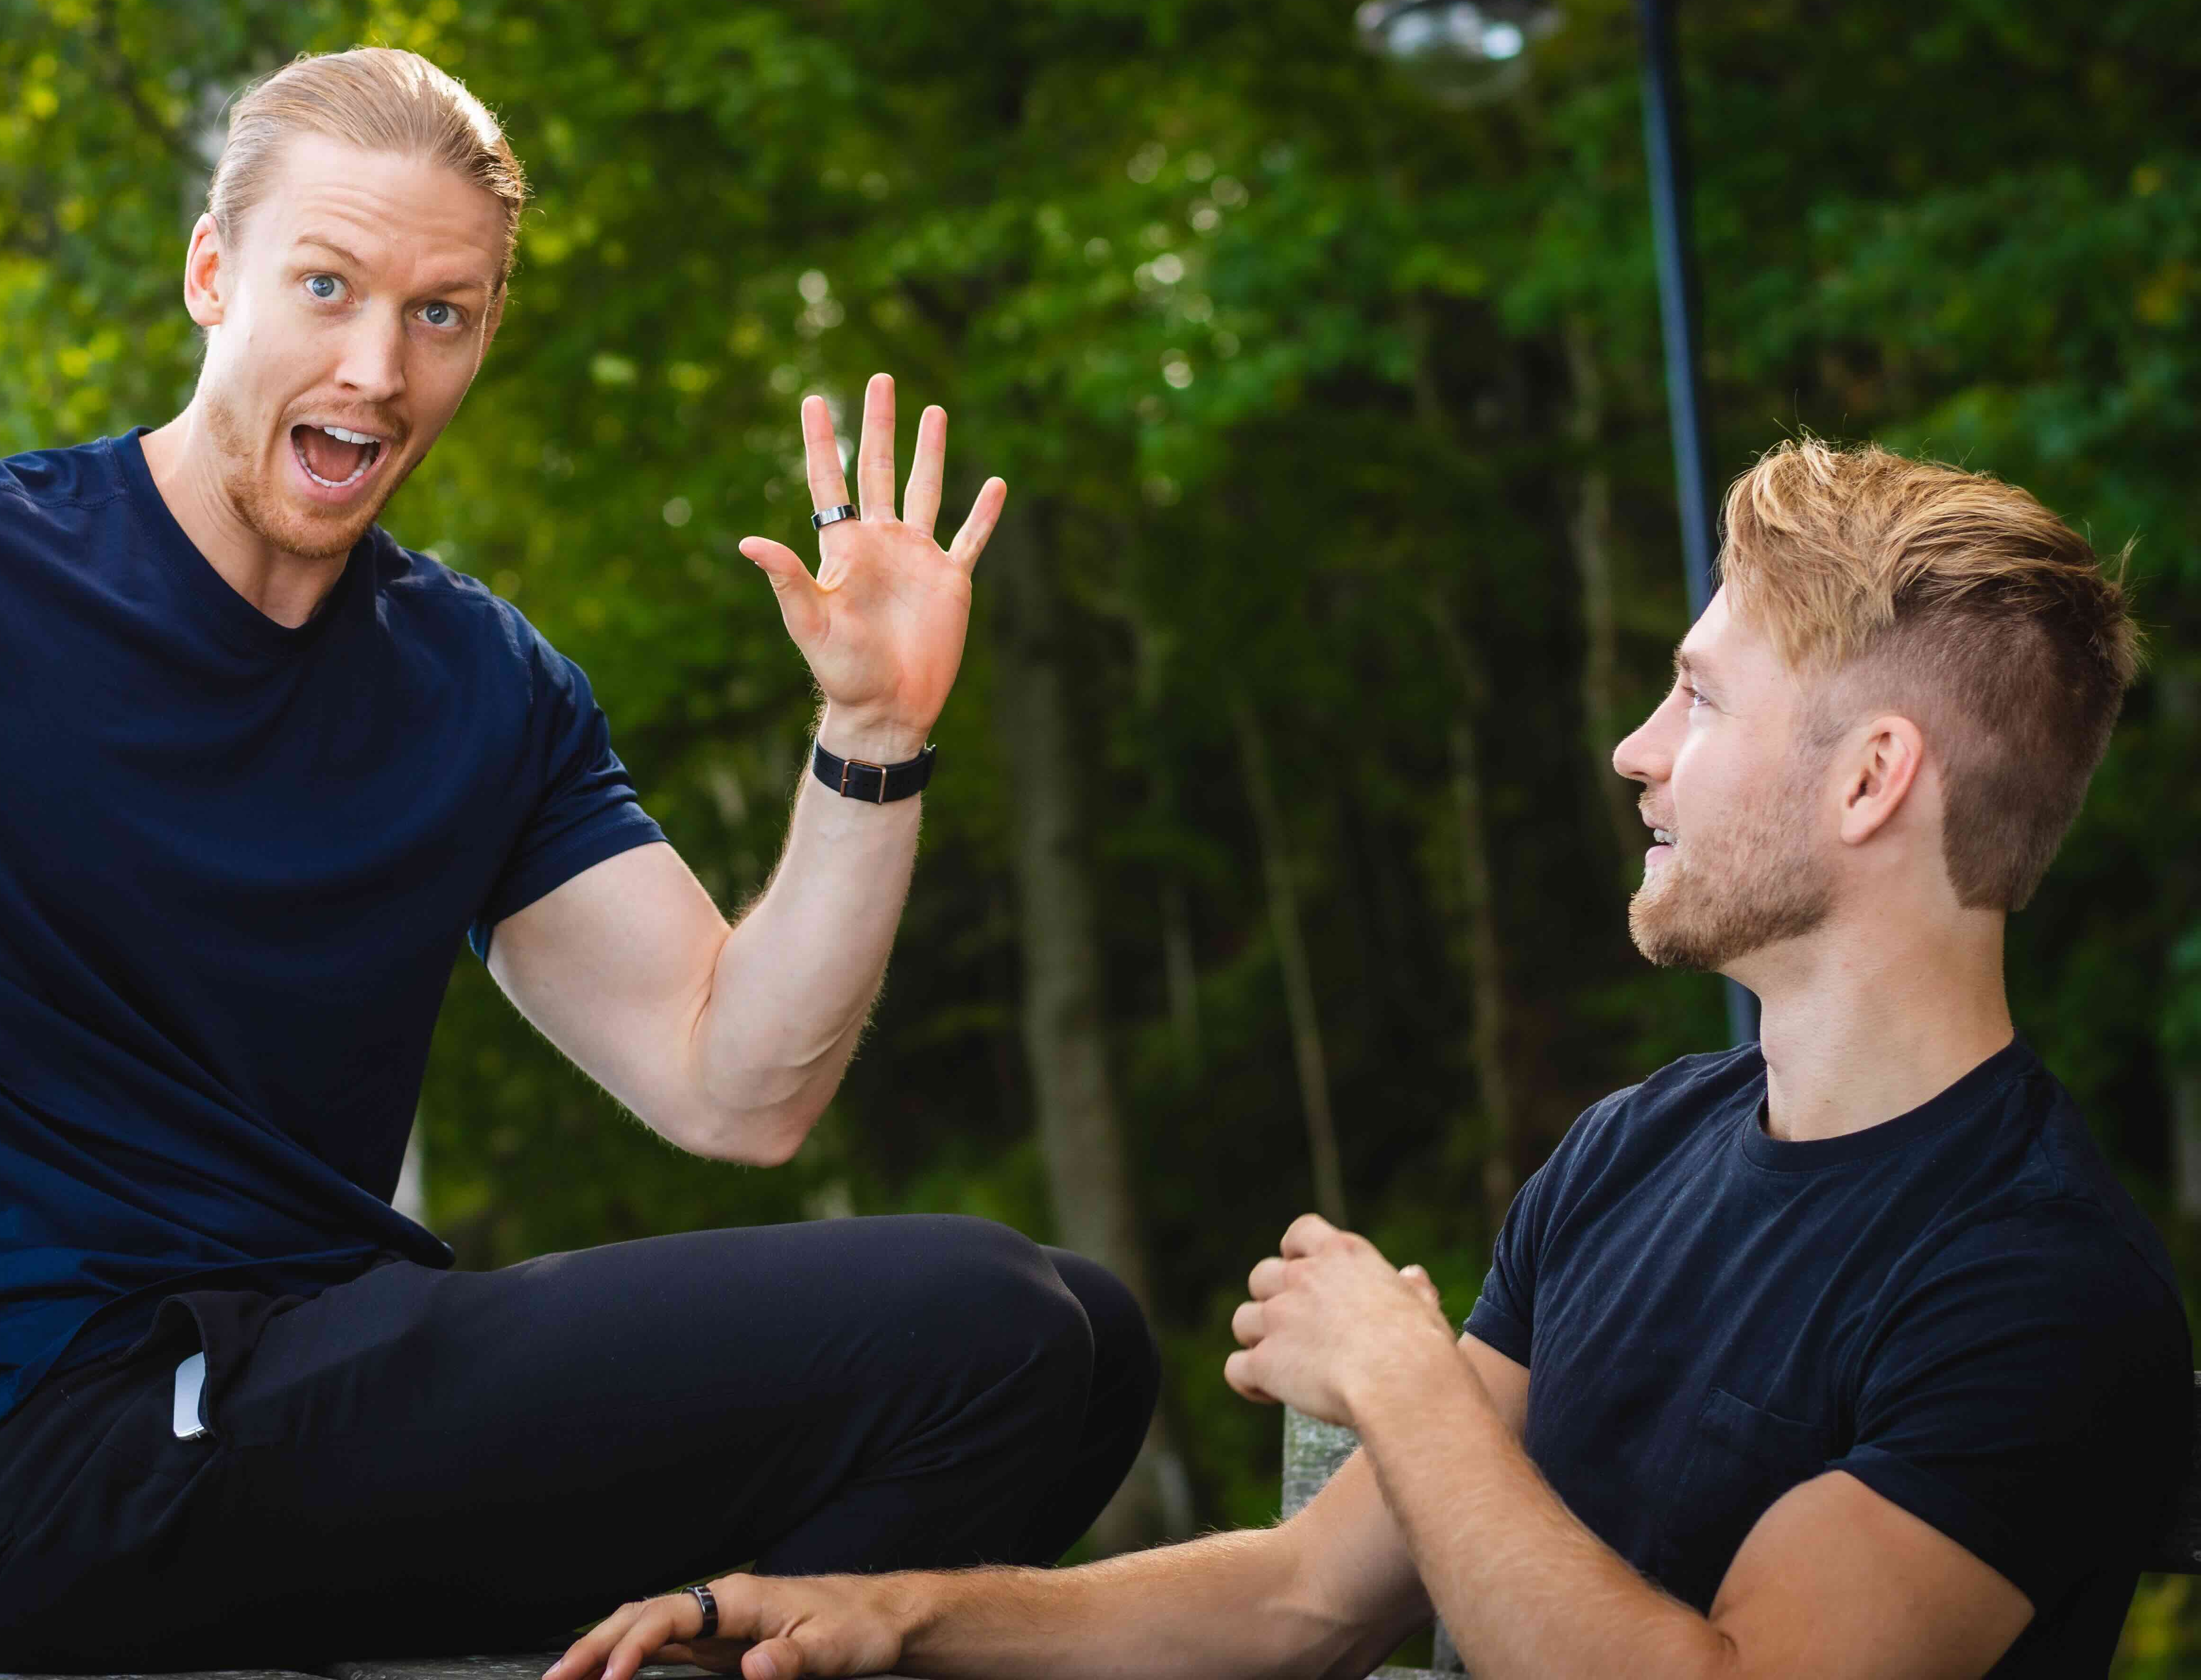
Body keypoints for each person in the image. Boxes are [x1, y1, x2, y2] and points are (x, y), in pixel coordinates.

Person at [0, 48, 1158, 1667]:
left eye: (441, 314)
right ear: (211, 276)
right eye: (328, 286)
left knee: (1088, 1358)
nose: (379, 367)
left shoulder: (478, 681)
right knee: (990, 1325)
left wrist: (874, 737)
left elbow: (737, 1085)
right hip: (81, 1457)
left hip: (341, 1396)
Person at [557, 439, 2192, 1680]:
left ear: (1871, 781)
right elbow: (1304, 1598)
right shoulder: (1634, 1151)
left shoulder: (2033, 1291)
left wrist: (1405, 1382)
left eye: (1699, 699)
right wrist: (896, 1613)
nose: (1636, 751)